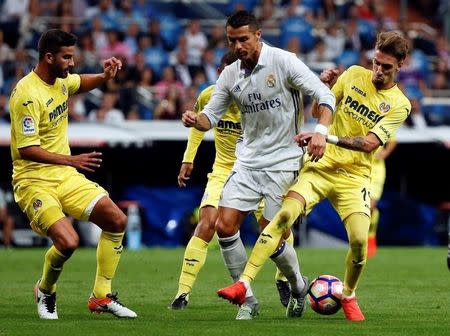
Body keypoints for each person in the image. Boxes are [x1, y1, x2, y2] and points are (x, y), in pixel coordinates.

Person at [217, 31, 411, 322]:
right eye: (376, 63)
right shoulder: (354, 74)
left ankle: (348, 294)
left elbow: (370, 143)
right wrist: (326, 88)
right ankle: (243, 284)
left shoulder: (400, 104)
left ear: (401, 65)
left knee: (359, 241)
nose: (378, 71)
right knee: (282, 217)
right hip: (319, 166)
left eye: (386, 67)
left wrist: (326, 138)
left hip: (354, 176)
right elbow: (322, 110)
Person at [182, 10, 335, 319]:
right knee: (224, 227)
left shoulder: (284, 61)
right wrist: (194, 120)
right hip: (247, 161)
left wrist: (320, 132)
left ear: (258, 35)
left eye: (243, 39)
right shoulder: (230, 74)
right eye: (232, 40)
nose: (238, 46)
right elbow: (209, 117)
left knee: (272, 233)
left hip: (284, 160)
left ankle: (297, 285)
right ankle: (247, 300)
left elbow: (324, 93)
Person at [9, 29, 137, 320]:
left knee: (116, 220)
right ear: (49, 57)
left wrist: (104, 77)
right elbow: (27, 149)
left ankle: (101, 297)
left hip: (65, 175)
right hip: (34, 180)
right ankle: (45, 289)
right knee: (68, 242)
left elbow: (79, 83)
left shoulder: (60, 81)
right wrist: (72, 159)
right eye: (67, 58)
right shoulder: (27, 95)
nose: (71, 63)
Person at [169, 52, 294, 319]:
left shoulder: (259, 98)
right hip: (224, 169)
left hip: (260, 169)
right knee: (208, 222)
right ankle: (183, 292)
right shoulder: (209, 96)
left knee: (276, 230)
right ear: (219, 73)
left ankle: (285, 278)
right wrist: (188, 158)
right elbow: (200, 125)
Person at [368, 140, 397, 258]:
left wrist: (385, 152)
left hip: (376, 170)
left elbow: (393, 140)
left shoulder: (380, 121)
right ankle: (359, 240)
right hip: (358, 167)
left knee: (370, 207)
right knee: (360, 207)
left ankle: (370, 235)